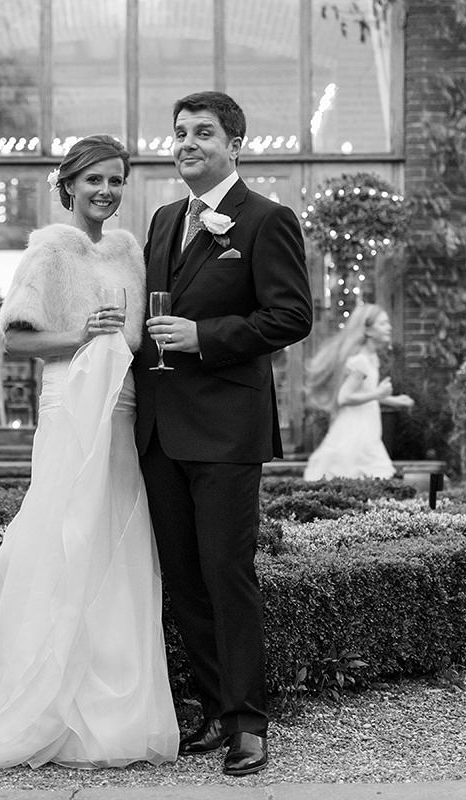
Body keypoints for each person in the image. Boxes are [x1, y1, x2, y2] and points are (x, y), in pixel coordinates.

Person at [0, 135, 179, 769]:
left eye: (116, 181)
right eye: (95, 179)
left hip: (126, 411)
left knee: (120, 538)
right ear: (68, 184)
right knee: (65, 531)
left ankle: (116, 706)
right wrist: (79, 334)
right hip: (71, 403)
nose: (106, 191)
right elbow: (16, 340)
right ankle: (45, 703)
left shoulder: (133, 253)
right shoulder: (46, 251)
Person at [133, 91, 312, 777]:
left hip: (226, 431)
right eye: (179, 133)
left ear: (235, 142)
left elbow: (291, 317)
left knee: (227, 574)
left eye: (202, 133)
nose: (186, 143)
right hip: (158, 431)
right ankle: (210, 707)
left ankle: (247, 724)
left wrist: (203, 336)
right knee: (182, 579)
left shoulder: (268, 220)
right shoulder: (162, 219)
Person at [302, 303, 414, 481]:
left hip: (366, 426)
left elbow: (366, 393)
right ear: (368, 330)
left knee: (364, 477)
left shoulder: (371, 358)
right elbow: (344, 397)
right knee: (369, 473)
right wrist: (378, 394)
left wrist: (393, 400)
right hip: (355, 429)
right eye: (383, 324)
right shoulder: (360, 361)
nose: (389, 327)